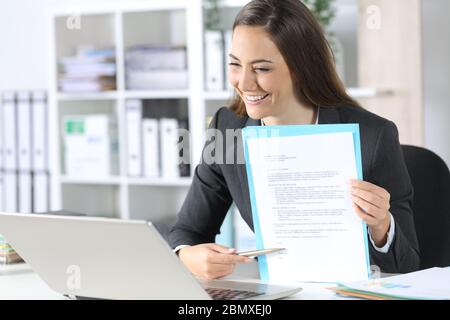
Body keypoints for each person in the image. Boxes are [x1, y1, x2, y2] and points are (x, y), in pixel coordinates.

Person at [169, 0, 420, 280]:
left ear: (302, 68)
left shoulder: (372, 136)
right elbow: (187, 231)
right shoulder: (227, 129)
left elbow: (409, 267)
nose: (244, 83)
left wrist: (382, 227)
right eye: (235, 64)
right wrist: (186, 255)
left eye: (262, 69)